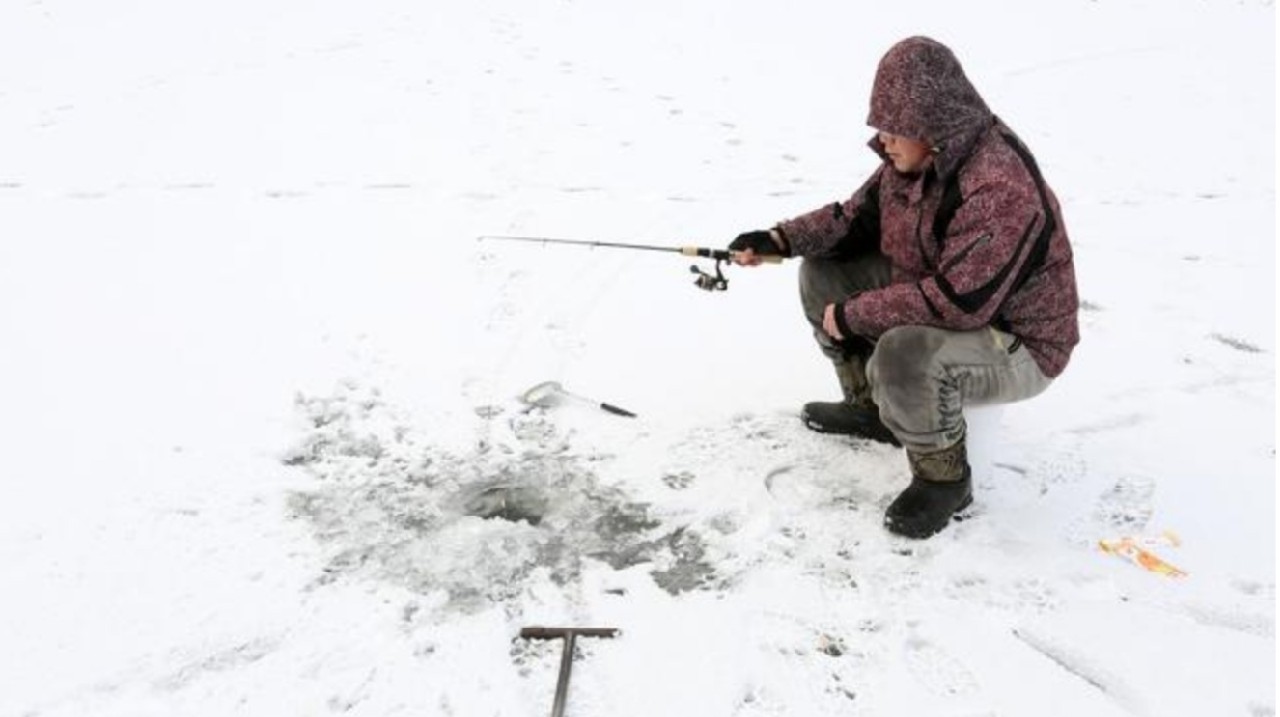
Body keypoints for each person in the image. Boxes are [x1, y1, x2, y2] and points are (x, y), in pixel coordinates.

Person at [729, 36, 1079, 539]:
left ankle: (945, 479)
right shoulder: (913, 161)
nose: (883, 140)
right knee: (824, 275)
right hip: (950, 292)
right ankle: (872, 409)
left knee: (904, 352)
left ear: (932, 126)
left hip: (1018, 341)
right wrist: (779, 240)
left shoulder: (999, 188)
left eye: (894, 129)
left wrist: (853, 316)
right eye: (881, 126)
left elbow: (960, 304)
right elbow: (853, 220)